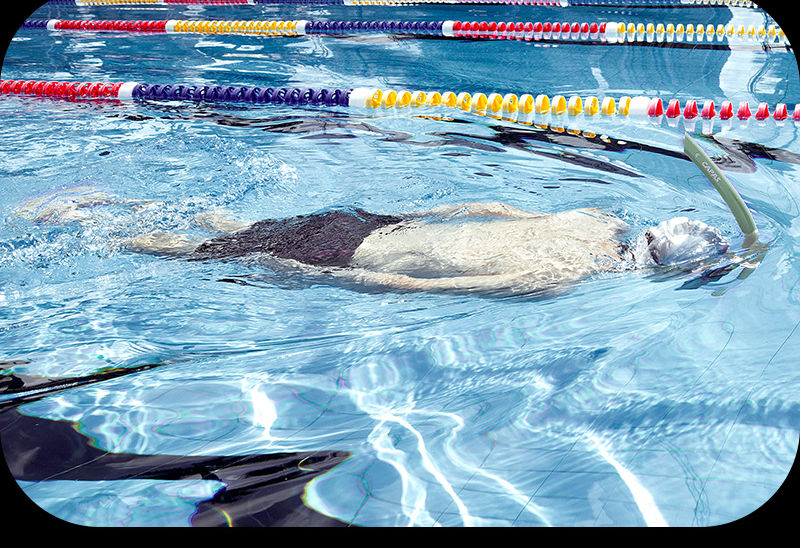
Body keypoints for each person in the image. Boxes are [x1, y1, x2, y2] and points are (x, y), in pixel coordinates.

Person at [15, 187, 730, 297]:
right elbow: (421, 290)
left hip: (376, 222)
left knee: (230, 227)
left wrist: (427, 209)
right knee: (177, 249)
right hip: (355, 257)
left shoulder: (595, 217)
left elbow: (490, 205)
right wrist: (328, 282)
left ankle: (103, 201)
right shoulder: (559, 280)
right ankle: (82, 224)